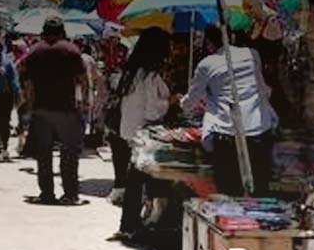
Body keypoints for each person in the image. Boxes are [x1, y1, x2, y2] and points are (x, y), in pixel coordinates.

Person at [181, 25, 278, 196]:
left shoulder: (206, 64)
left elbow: (192, 101)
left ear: (209, 44)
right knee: (260, 190)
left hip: (227, 134)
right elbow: (262, 89)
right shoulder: (252, 54)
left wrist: (182, 102)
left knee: (229, 193)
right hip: (259, 131)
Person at [20, 16, 87, 204]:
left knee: (44, 155)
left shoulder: (34, 51)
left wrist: (29, 106)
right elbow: (83, 79)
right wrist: (85, 102)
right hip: (66, 110)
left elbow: (27, 84)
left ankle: (47, 194)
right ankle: (70, 194)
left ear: (44, 31)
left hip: (41, 110)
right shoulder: (72, 50)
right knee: (69, 154)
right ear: (62, 31)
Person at [114, 29, 175, 236]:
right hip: (143, 133)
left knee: (136, 178)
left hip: (131, 131)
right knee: (140, 178)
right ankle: (133, 224)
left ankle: (131, 224)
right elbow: (152, 110)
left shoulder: (133, 72)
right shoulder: (149, 75)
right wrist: (170, 102)